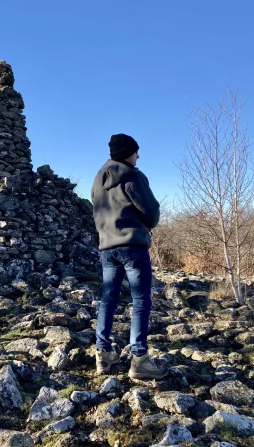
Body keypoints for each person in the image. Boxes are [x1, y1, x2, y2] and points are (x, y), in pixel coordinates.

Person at [90, 133, 168, 380]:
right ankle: (139, 359)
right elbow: (152, 213)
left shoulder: (97, 180)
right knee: (141, 300)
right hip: (133, 246)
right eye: (136, 152)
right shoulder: (133, 176)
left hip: (107, 248)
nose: (138, 156)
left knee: (108, 299)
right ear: (128, 153)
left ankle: (102, 354)